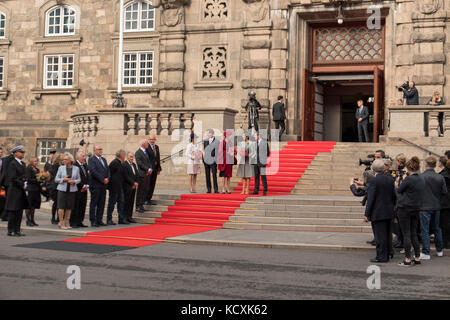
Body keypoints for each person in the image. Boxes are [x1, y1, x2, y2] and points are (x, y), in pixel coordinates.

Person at [364, 159, 396, 263]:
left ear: (373, 169)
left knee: (379, 236)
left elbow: (371, 198)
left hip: (378, 212)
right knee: (387, 234)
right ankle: (388, 253)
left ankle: (381, 256)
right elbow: (394, 196)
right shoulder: (390, 180)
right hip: (389, 210)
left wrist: (366, 214)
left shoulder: (373, 180)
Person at [395, 157, 425, 266]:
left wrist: (399, 181)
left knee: (406, 234)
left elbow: (399, 190)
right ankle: (417, 257)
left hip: (405, 208)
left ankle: (407, 259)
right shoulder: (421, 179)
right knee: (413, 233)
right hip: (416, 208)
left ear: (408, 168)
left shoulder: (408, 179)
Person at [419, 156, 447, 259]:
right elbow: (444, 192)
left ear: (426, 164)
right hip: (436, 206)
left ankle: (426, 252)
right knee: (437, 228)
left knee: (425, 229)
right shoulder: (440, 177)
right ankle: (439, 250)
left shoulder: (421, 176)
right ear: (435, 165)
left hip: (424, 206)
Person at [5, 146, 28, 236]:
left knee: (19, 211)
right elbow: (12, 178)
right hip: (14, 190)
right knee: (13, 211)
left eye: (23, 152)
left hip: (21, 190)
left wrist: (26, 182)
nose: (22, 154)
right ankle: (10, 230)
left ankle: (17, 230)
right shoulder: (12, 164)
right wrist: (22, 183)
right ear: (15, 153)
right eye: (21, 152)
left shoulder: (23, 164)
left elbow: (24, 175)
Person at [55, 153, 81, 230]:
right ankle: (61, 222)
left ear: (70, 160)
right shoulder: (61, 168)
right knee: (61, 207)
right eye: (63, 159)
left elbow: (79, 179)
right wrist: (64, 179)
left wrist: (74, 181)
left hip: (72, 189)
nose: (64, 161)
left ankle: (67, 222)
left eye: (66, 159)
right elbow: (56, 179)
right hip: (62, 189)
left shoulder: (76, 168)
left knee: (69, 207)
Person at [88, 145, 110, 227]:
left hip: (103, 185)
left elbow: (107, 170)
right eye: (99, 149)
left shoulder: (103, 159)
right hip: (95, 185)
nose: (100, 151)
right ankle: (93, 220)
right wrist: (102, 179)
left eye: (101, 149)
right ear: (94, 151)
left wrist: (108, 178)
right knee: (94, 203)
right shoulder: (91, 159)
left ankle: (99, 219)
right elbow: (93, 171)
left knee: (101, 203)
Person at [106, 149, 126, 225]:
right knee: (111, 203)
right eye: (124, 155)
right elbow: (109, 174)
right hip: (113, 187)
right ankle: (109, 219)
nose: (125, 157)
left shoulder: (121, 163)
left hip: (119, 186)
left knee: (121, 202)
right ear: (121, 156)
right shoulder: (114, 163)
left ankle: (121, 218)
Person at [70, 150, 89, 228]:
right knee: (76, 206)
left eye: (84, 156)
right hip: (77, 189)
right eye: (83, 156)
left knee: (82, 205)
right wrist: (81, 186)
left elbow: (87, 176)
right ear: (78, 157)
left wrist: (87, 185)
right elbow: (75, 177)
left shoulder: (84, 165)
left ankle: (80, 221)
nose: (84, 158)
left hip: (84, 189)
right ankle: (73, 221)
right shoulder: (75, 165)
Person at [135, 139, 152, 213]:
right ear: (143, 144)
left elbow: (149, 162)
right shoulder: (138, 153)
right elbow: (140, 163)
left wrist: (150, 168)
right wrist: (147, 169)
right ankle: (138, 205)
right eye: (147, 143)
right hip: (142, 174)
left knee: (145, 190)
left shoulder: (146, 152)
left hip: (147, 174)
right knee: (140, 191)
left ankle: (141, 205)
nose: (148, 144)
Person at [251, 131, 270, 196]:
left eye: (255, 136)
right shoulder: (255, 143)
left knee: (263, 177)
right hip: (256, 162)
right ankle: (256, 190)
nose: (254, 137)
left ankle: (265, 190)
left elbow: (267, 153)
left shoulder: (264, 142)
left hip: (262, 162)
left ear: (258, 136)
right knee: (256, 176)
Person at [122, 152, 139, 224]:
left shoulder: (134, 165)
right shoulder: (124, 165)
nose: (132, 158)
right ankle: (124, 218)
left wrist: (136, 182)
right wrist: (133, 183)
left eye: (132, 157)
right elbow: (126, 176)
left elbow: (137, 174)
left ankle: (129, 217)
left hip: (134, 186)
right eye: (130, 157)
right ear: (127, 157)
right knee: (126, 202)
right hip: (127, 186)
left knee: (131, 202)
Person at [145, 134, 161, 205]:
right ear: (148, 139)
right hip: (149, 169)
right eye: (151, 139)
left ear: (155, 140)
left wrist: (159, 168)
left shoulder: (156, 147)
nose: (152, 141)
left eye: (153, 139)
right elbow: (146, 159)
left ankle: (149, 199)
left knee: (152, 184)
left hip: (155, 169)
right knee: (148, 184)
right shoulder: (146, 147)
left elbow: (158, 158)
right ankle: (145, 199)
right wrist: (147, 168)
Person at [24, 157, 41, 227]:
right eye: (34, 161)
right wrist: (37, 180)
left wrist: (42, 179)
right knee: (29, 205)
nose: (36, 162)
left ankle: (32, 220)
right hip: (30, 189)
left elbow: (39, 177)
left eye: (36, 161)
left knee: (33, 206)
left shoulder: (37, 169)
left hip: (36, 189)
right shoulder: (28, 168)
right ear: (31, 162)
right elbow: (28, 179)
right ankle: (28, 220)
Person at [0, 145, 15, 222]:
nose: (0, 154)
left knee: (4, 200)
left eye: (1, 152)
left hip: (2, 182)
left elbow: (10, 157)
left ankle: (4, 215)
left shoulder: (3, 160)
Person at [49, 152, 63, 224]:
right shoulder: (55, 165)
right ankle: (53, 217)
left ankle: (58, 217)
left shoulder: (62, 165)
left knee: (59, 203)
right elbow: (55, 176)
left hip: (60, 185)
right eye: (61, 155)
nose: (63, 156)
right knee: (56, 202)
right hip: (55, 186)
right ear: (58, 157)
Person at [203, 129, 219, 194]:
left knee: (214, 175)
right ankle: (209, 189)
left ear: (212, 134)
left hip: (213, 161)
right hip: (206, 160)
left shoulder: (217, 141)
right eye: (207, 133)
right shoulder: (205, 141)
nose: (207, 135)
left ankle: (216, 189)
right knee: (207, 175)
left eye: (208, 133)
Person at [439, 157, 450, 249]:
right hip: (447, 202)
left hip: (445, 202)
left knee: (444, 224)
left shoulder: (443, 175)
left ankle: (445, 242)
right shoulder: (444, 174)